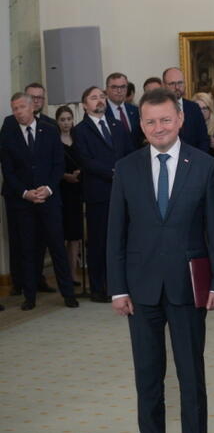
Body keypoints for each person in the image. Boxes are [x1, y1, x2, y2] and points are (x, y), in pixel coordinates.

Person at [107, 88, 214, 433]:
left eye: (165, 119)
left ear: (179, 120)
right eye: (150, 121)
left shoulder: (205, 166)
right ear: (141, 125)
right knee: (148, 374)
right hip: (140, 290)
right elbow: (115, 235)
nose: (158, 127)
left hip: (188, 285)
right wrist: (117, 288)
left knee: (192, 373)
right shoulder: (126, 168)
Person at [0, 93, 78, 310]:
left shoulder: (50, 131)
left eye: (21, 107)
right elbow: (8, 171)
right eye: (14, 108)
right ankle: (30, 297)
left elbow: (58, 164)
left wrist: (49, 189)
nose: (18, 112)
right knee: (28, 250)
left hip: (49, 200)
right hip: (24, 203)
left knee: (57, 248)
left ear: (32, 107)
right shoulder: (9, 135)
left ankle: (68, 295)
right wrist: (26, 193)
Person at [72, 86, 135, 303]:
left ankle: (120, 285)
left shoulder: (118, 126)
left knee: (122, 239)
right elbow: (85, 160)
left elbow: (130, 153)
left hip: (122, 192)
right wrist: (113, 172)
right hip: (98, 193)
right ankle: (98, 287)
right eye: (93, 97)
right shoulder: (80, 130)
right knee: (99, 242)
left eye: (101, 97)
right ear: (84, 105)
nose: (99, 100)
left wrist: (125, 173)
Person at [56, 106, 83, 284]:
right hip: (59, 192)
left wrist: (80, 172)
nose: (66, 123)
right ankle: (63, 275)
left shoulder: (78, 138)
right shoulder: (53, 140)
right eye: (62, 119)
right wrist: (65, 176)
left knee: (75, 236)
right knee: (61, 235)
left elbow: (86, 158)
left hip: (77, 191)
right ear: (57, 121)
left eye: (68, 119)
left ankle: (73, 273)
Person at [162, 67, 210, 153]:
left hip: (194, 161)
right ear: (164, 85)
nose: (177, 87)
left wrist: (197, 161)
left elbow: (203, 139)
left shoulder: (194, 108)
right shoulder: (157, 109)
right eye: (172, 84)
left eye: (180, 83)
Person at [105, 72, 142, 144]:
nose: (119, 91)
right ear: (106, 89)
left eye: (123, 87)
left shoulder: (135, 110)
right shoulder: (101, 112)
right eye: (114, 87)